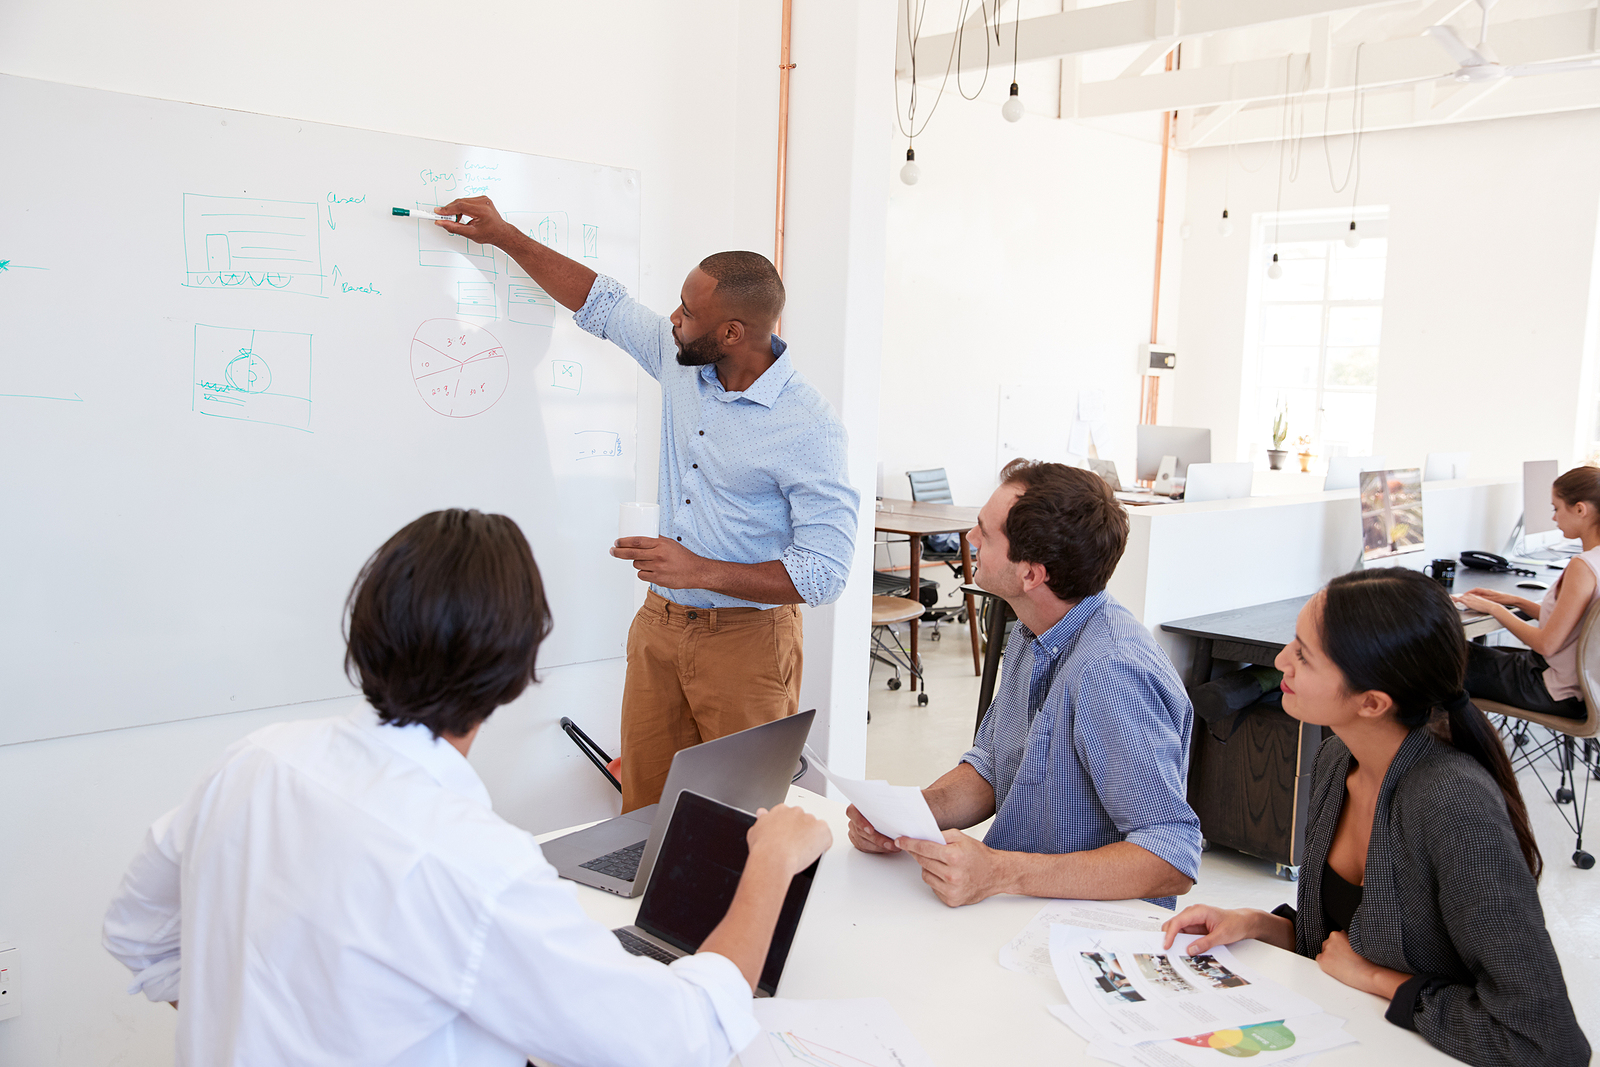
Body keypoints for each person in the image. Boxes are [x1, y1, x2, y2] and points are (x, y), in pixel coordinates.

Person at [102, 509, 833, 1067]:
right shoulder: (470, 864)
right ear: (519, 670)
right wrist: (768, 859)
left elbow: (136, 932)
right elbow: (684, 1036)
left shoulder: (256, 761)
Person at [430, 197, 858, 812]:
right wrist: (503, 236)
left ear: (732, 333)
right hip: (659, 629)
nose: (674, 319)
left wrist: (697, 569)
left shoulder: (808, 427)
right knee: (643, 814)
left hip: (748, 644)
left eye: (689, 312)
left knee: (742, 823)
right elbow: (600, 302)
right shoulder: (684, 358)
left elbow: (825, 574)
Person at [1161, 568, 1589, 1067]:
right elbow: (1340, 944)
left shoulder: (1453, 804)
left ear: (1372, 702)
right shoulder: (1337, 759)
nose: (1281, 661)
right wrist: (1254, 924)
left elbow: (1547, 1044)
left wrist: (1379, 981)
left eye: (1303, 653)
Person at [847, 460, 1201, 909]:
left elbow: (1171, 855)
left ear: (1031, 574)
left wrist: (999, 873)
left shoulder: (1110, 672)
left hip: (1084, 934)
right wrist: (905, 818)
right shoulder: (1030, 630)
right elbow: (993, 767)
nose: (971, 539)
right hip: (1024, 910)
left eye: (985, 533)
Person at [1457, 464, 1600, 719]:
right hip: (1584, 689)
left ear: (1580, 509)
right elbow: (1573, 622)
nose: (1554, 517)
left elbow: (1546, 643)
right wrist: (1515, 601)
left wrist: (1494, 609)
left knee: (1437, 657)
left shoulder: (1583, 567)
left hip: (1550, 689)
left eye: (1556, 508)